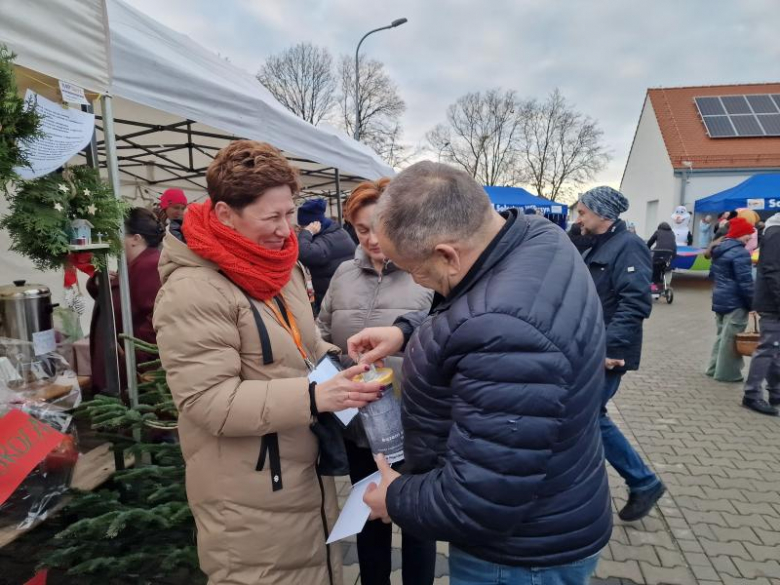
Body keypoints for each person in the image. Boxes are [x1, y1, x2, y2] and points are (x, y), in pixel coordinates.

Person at [349, 162, 612, 585]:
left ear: (448, 254)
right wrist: (406, 330)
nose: (420, 281)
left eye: (416, 270)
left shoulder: (508, 331)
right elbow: (481, 305)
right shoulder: (535, 238)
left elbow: (478, 499)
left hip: (519, 557)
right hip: (557, 507)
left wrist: (395, 497)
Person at [153, 140, 382, 585]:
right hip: (247, 496)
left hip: (300, 476)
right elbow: (207, 400)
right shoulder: (193, 290)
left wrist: (341, 360)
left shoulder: (280, 267)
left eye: (290, 213)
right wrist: (316, 396)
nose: (286, 229)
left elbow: (304, 344)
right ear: (224, 215)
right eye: (271, 217)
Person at [316, 178, 435, 585]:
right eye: (361, 229)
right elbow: (320, 333)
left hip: (413, 428)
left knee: (418, 523)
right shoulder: (343, 275)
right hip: (359, 428)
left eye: (379, 227)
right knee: (367, 518)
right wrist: (334, 363)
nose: (371, 239)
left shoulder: (425, 274)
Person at [576, 186, 666, 522]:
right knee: (587, 415)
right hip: (591, 346)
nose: (578, 218)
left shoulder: (628, 246)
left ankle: (643, 482)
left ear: (602, 213)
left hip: (607, 351)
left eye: (583, 212)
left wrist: (608, 349)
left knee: (588, 416)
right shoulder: (601, 243)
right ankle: (638, 482)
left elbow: (636, 303)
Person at [87, 208, 164, 394]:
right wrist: (99, 282)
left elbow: (156, 318)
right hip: (121, 369)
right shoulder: (134, 265)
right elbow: (117, 301)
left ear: (136, 238)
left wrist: (134, 357)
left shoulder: (149, 265)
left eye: (119, 234)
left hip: (133, 375)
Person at [706, 217, 755, 383]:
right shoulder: (741, 253)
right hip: (736, 301)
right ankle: (727, 374)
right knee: (731, 340)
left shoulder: (720, 249)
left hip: (720, 297)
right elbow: (745, 283)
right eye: (747, 233)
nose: (750, 237)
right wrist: (753, 304)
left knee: (721, 336)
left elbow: (713, 275)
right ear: (739, 233)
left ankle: (713, 369)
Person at [743, 212, 780, 416]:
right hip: (773, 302)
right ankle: (752, 394)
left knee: (776, 349)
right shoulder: (776, 233)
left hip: (773, 300)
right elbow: (773, 270)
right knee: (768, 348)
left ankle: (775, 391)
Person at [297, 198, 356, 313]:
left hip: (336, 299)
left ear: (314, 225)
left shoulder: (326, 238)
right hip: (340, 293)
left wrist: (307, 233)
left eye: (303, 227)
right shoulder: (335, 231)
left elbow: (303, 253)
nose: (301, 230)